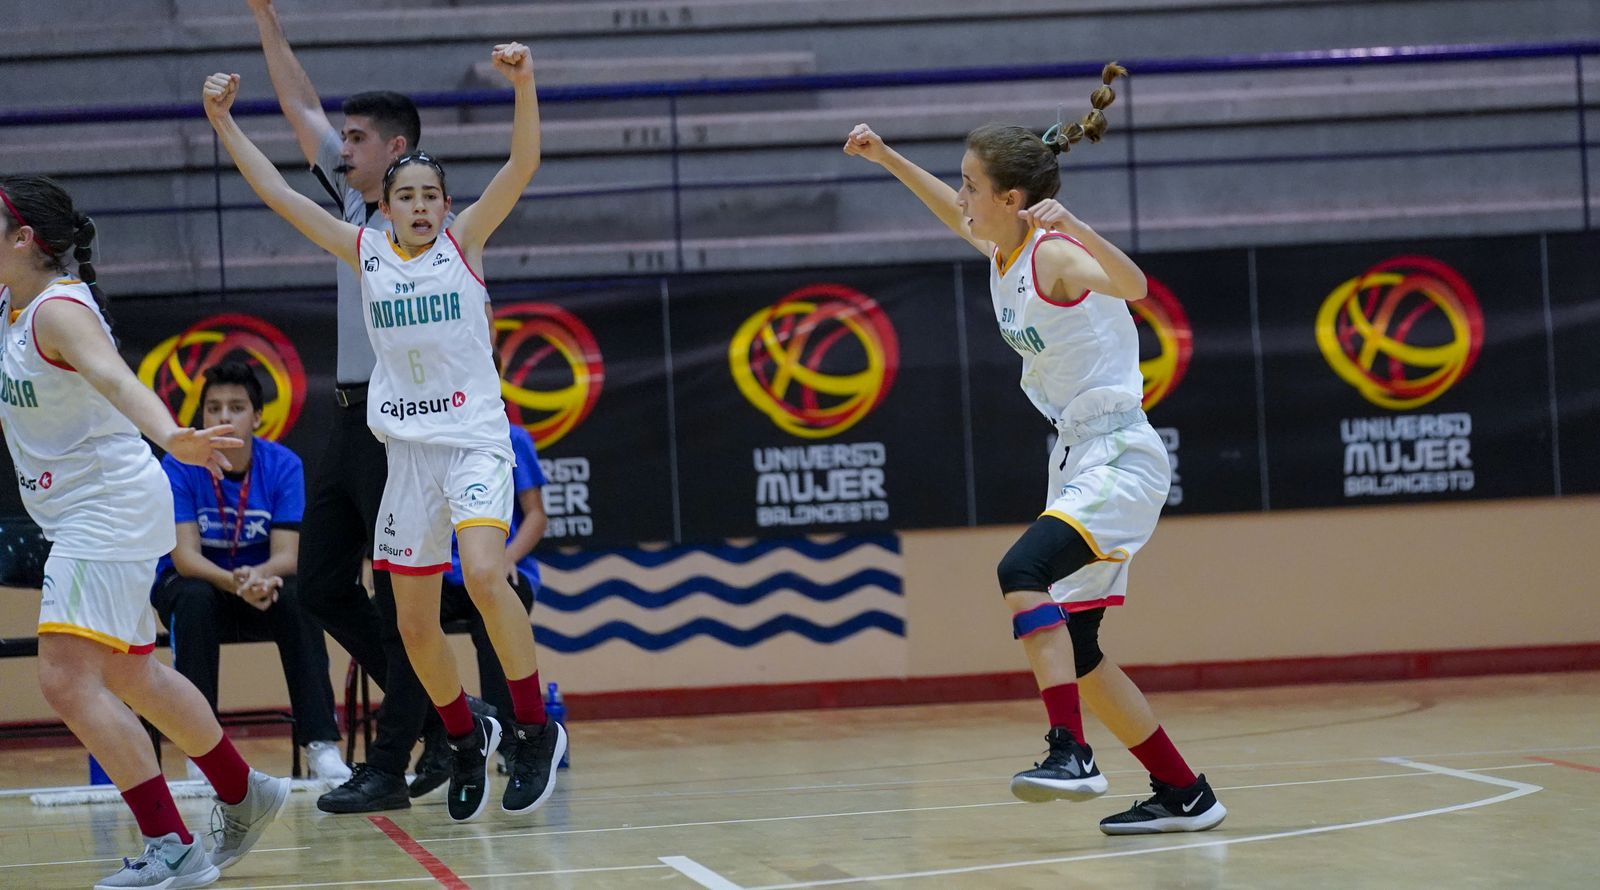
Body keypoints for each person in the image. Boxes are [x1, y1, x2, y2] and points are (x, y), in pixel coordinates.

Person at [842, 64, 1227, 835]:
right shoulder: (1002, 249)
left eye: (969, 184)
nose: (960, 196)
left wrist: (1078, 227)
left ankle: (1069, 751)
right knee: (1078, 645)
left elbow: (1135, 284)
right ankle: (1184, 792)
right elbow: (947, 216)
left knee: (1021, 570)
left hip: (1120, 454)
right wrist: (886, 157)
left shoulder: (1051, 254)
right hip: (1080, 457)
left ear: (1010, 200)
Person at [203, 41, 566, 824]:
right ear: (388, 204)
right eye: (410, 197)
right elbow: (275, 193)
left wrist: (525, 83)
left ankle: (536, 730)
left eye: (434, 195)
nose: (424, 207)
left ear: (445, 202)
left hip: (472, 442)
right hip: (405, 456)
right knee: (409, 620)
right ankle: (468, 739)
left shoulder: (466, 245)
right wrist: (223, 124)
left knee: (481, 571)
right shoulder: (363, 247)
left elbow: (524, 162)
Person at [0, 175, 290, 888]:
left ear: (23, 239)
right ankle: (242, 789)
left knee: (66, 681)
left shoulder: (60, 311)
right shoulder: (10, 303)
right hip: (93, 508)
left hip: (108, 505)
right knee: (131, 673)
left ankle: (173, 847)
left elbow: (116, 378)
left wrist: (171, 433)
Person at [246, 0, 471, 814]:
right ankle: (450, 717)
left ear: (396, 151)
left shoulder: (427, 232)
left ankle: (392, 759)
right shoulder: (350, 214)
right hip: (345, 416)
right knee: (320, 585)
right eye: (340, 138)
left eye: (355, 139)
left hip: (401, 421)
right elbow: (298, 106)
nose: (339, 147)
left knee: (395, 592)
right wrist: (267, 20)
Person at [149, 361, 351, 784]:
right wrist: (235, 583)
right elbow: (185, 557)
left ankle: (321, 745)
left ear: (257, 416)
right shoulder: (179, 465)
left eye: (236, 407)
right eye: (214, 408)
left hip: (262, 582)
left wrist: (257, 577)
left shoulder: (283, 465)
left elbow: (289, 553)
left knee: (299, 596)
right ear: (201, 416)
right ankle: (201, 751)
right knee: (192, 598)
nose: (223, 417)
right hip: (201, 584)